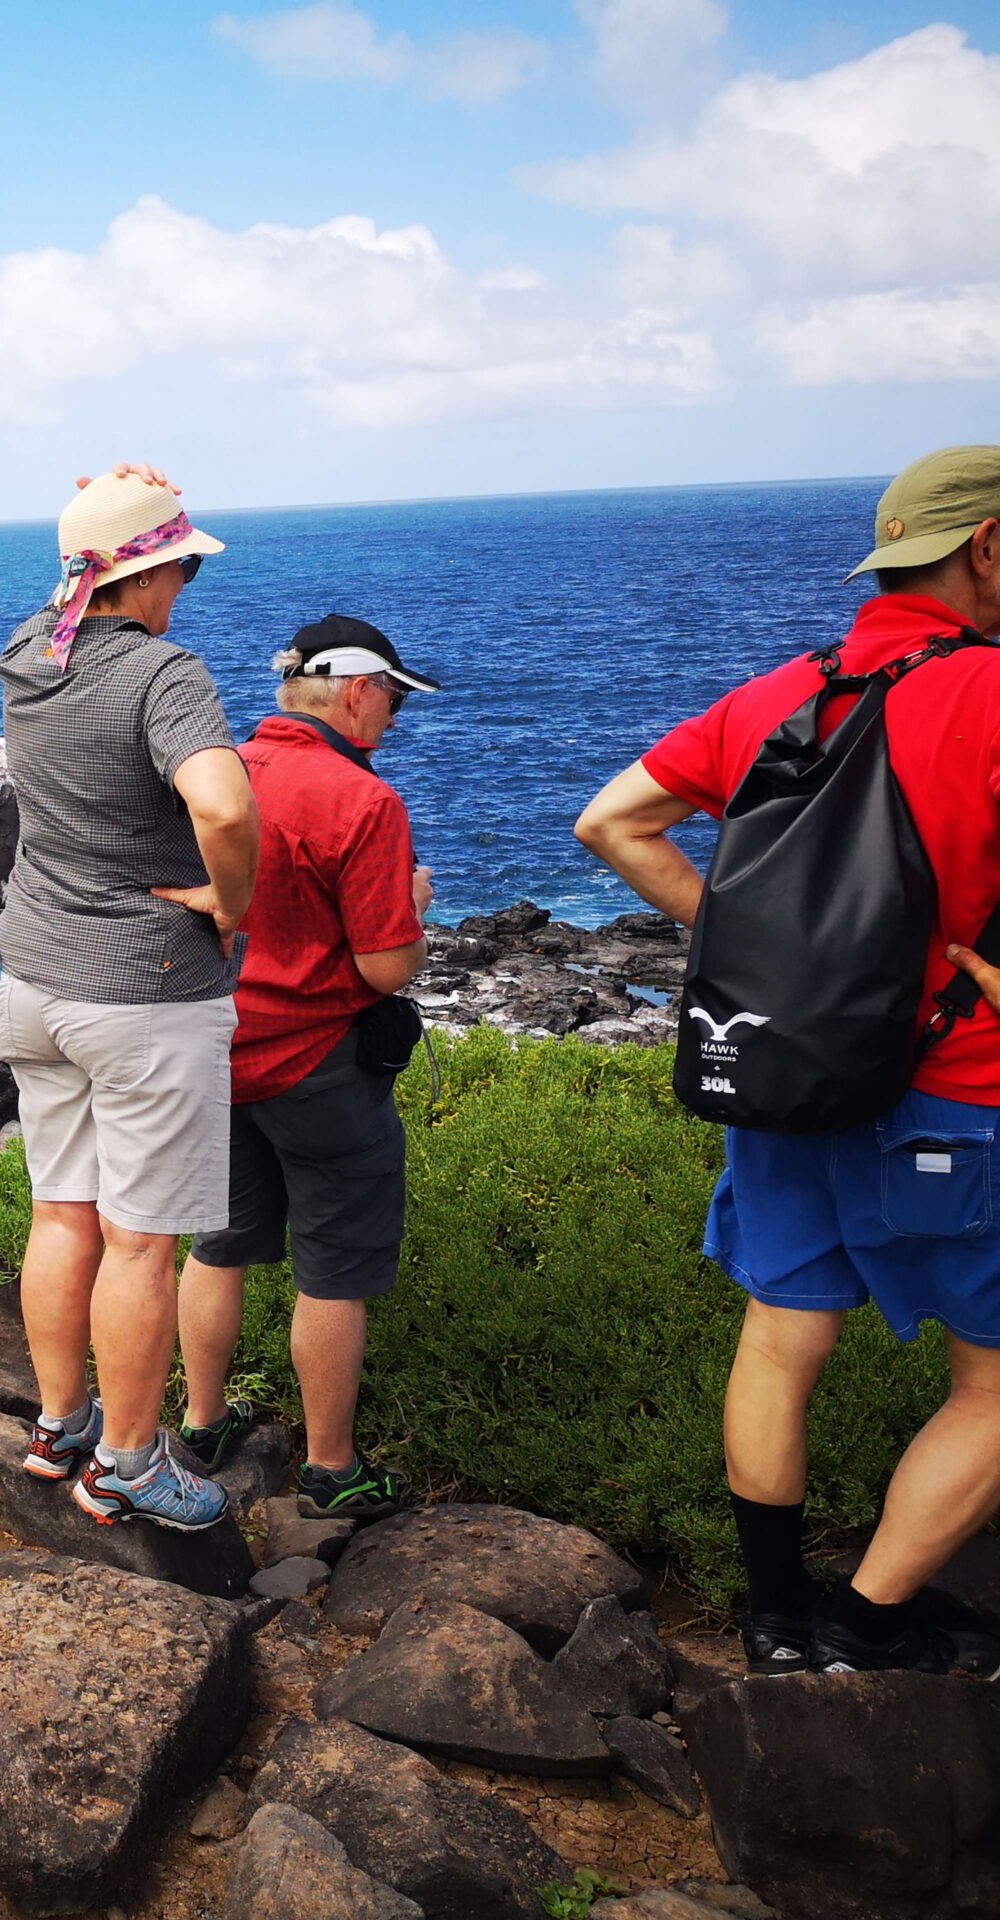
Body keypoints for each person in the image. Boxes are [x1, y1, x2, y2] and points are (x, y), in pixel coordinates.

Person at [575, 445, 1000, 1676]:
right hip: (950, 1093)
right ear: (985, 549)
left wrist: (750, 941)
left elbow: (610, 821)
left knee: (780, 1334)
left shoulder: (778, 691)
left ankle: (772, 1624)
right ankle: (867, 1629)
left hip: (778, 1073)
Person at [0, 465, 259, 1532]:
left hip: (34, 977)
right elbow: (224, 807)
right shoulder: (163, 673)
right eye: (180, 565)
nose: (186, 584)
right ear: (148, 572)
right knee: (142, 1242)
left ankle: (61, 1430)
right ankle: (131, 1467)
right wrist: (229, 902)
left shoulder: (24, 654)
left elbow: (64, 597)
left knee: (63, 1212)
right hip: (143, 995)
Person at [174, 615, 442, 1523]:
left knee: (218, 1244)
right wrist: (411, 908)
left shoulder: (221, 773)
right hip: (319, 1066)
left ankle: (202, 1424)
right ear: (358, 691)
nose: (397, 718)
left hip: (212, 1051)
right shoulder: (363, 802)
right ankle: (331, 1470)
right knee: (335, 1268)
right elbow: (384, 968)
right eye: (395, 698)